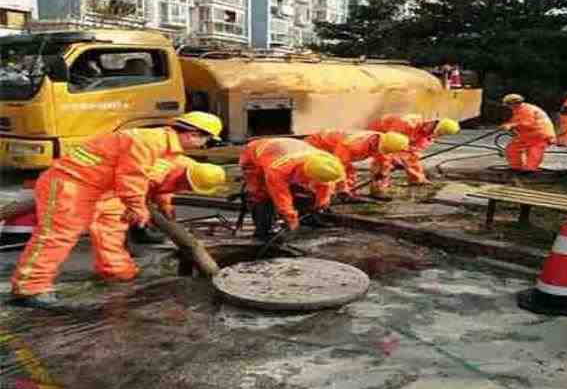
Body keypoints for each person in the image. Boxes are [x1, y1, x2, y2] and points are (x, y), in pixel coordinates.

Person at [10, 111, 223, 307]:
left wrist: (164, 203)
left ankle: (117, 272)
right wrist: (137, 207)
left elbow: (162, 182)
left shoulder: (170, 151)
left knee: (112, 229)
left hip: (105, 188)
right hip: (72, 181)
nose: (205, 145)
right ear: (194, 134)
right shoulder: (148, 141)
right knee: (58, 235)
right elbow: (132, 176)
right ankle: (30, 288)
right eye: (207, 140)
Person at [239, 138, 345, 241]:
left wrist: (321, 202)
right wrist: (290, 217)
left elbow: (326, 183)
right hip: (254, 156)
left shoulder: (326, 161)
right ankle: (264, 230)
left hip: (287, 151)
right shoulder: (278, 170)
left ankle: (308, 218)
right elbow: (281, 196)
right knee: (262, 194)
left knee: (306, 192)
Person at [367, 114, 461, 198]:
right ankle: (378, 188)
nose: (435, 135)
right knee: (384, 161)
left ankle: (417, 179)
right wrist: (396, 158)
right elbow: (390, 143)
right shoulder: (407, 123)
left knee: (412, 156)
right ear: (434, 123)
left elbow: (415, 150)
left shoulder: (429, 132)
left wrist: (403, 158)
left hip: (398, 138)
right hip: (381, 136)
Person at [305, 130, 409, 197]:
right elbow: (339, 166)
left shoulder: (384, 141)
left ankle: (344, 192)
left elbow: (383, 163)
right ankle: (315, 193)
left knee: (350, 172)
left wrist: (379, 182)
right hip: (317, 144)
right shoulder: (352, 145)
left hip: (335, 147)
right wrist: (342, 188)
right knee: (323, 170)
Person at [500, 94, 556, 173]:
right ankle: (515, 167)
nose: (508, 107)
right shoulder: (519, 110)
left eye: (508, 105)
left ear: (514, 103)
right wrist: (508, 125)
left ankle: (530, 170)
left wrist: (511, 125)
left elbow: (528, 123)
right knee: (512, 148)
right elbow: (517, 121)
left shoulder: (527, 109)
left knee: (534, 152)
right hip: (529, 134)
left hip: (540, 134)